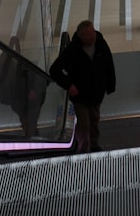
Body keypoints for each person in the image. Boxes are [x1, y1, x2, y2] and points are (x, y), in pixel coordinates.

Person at [49, 20, 116, 152]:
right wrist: (69, 85)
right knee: (84, 124)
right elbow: (54, 70)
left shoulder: (100, 43)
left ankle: (94, 145)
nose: (92, 36)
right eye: (88, 35)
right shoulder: (72, 50)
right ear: (81, 37)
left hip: (97, 92)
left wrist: (110, 84)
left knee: (94, 119)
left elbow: (109, 64)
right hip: (80, 95)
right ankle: (84, 148)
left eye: (92, 33)